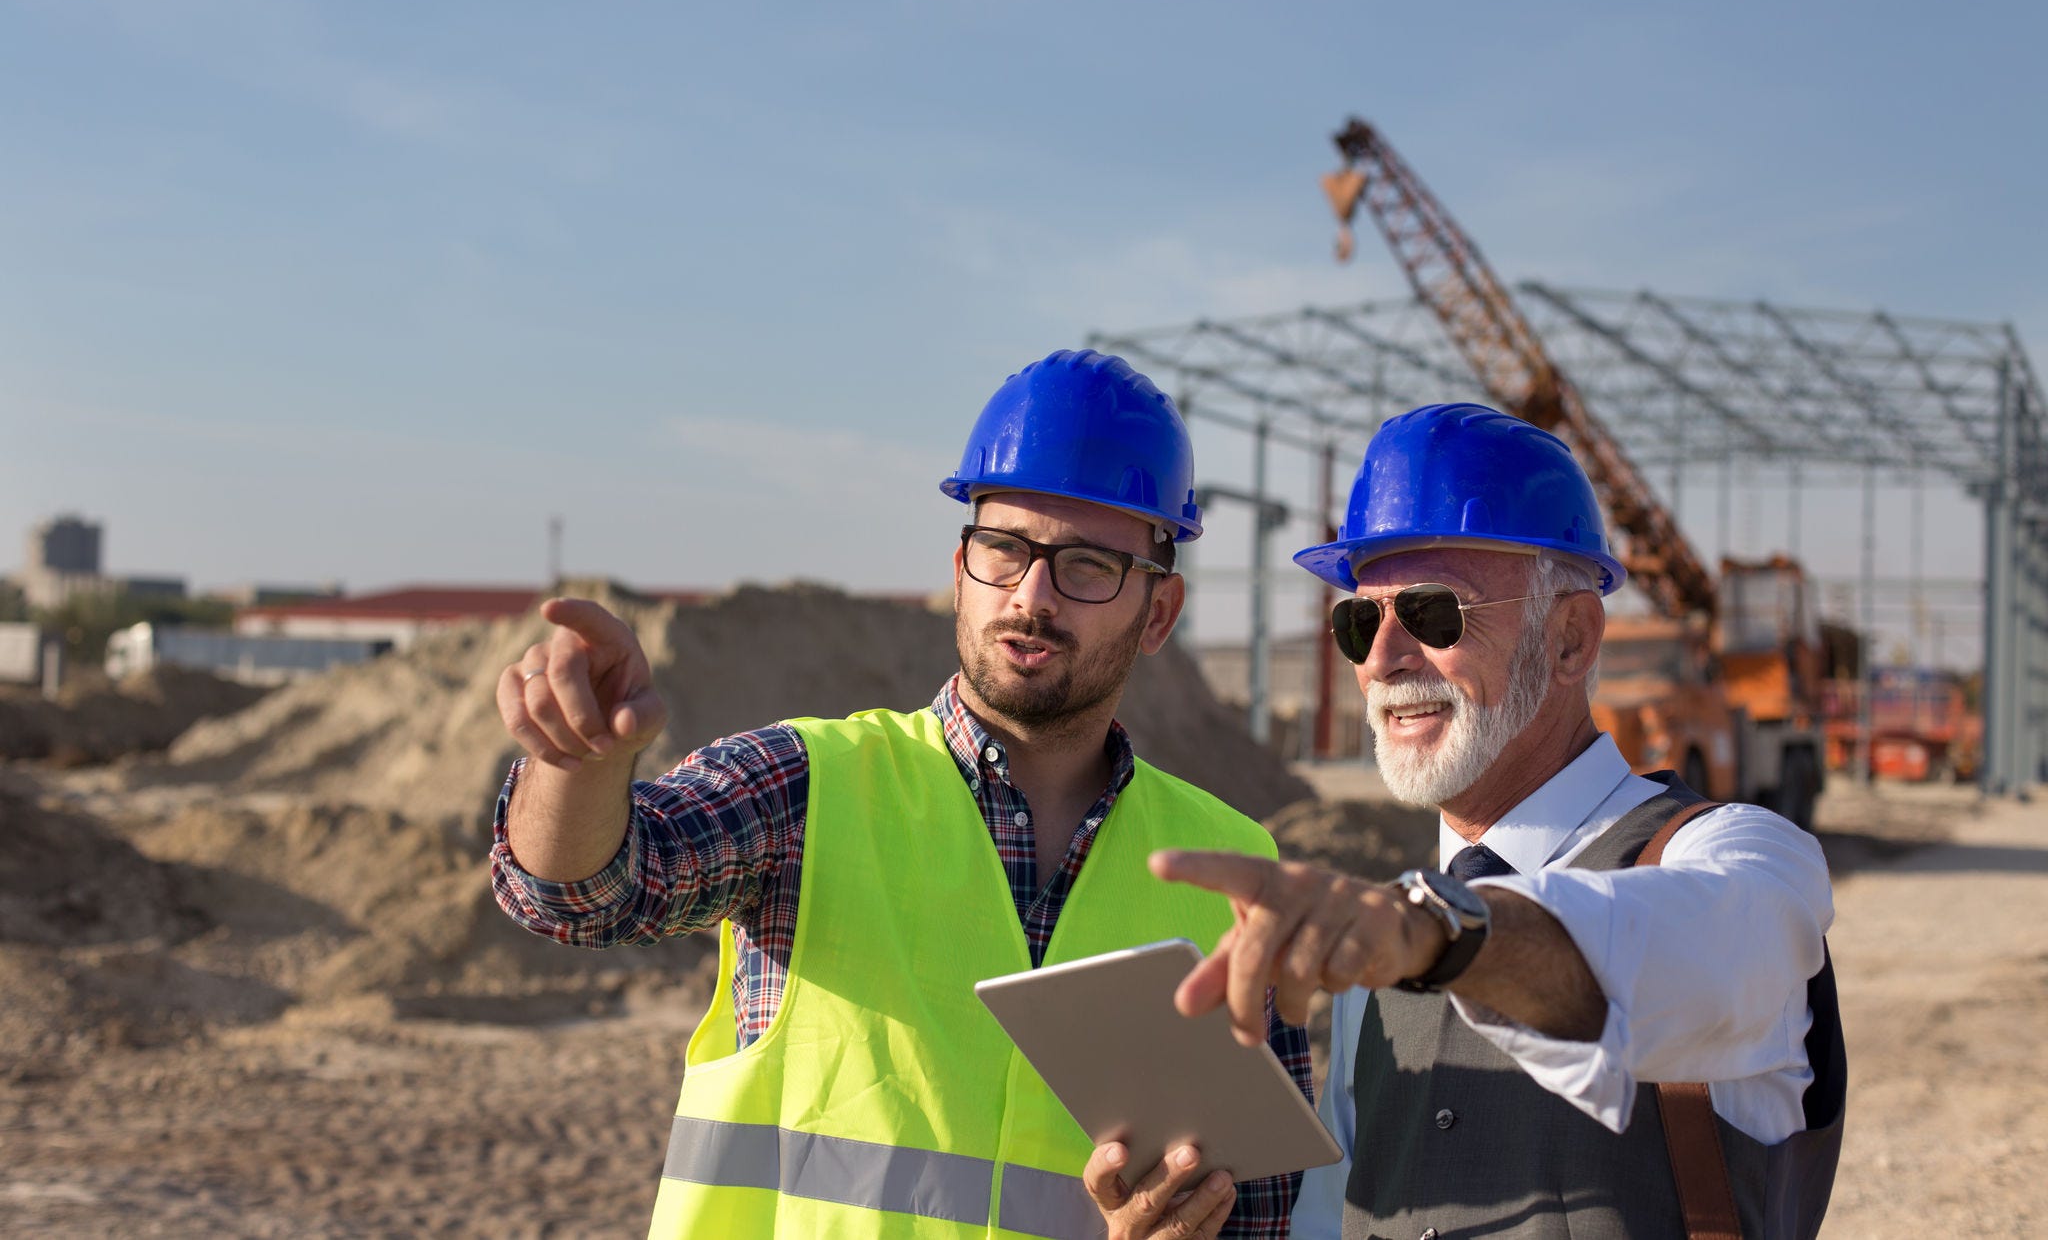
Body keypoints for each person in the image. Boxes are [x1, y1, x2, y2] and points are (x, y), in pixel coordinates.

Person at [490, 348, 1311, 1239]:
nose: (1031, 595)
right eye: (1004, 548)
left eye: (1085, 566)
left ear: (1158, 614)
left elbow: (1259, 1210)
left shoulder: (1238, 875)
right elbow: (578, 893)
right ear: (960, 571)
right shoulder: (807, 786)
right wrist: (575, 762)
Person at [1123, 403, 1844, 1239]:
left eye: (1433, 615)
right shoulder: (1390, 938)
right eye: (1360, 621)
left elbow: (1703, 960)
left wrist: (1444, 934)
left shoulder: (1735, 859)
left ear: (1570, 638)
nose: (1384, 659)